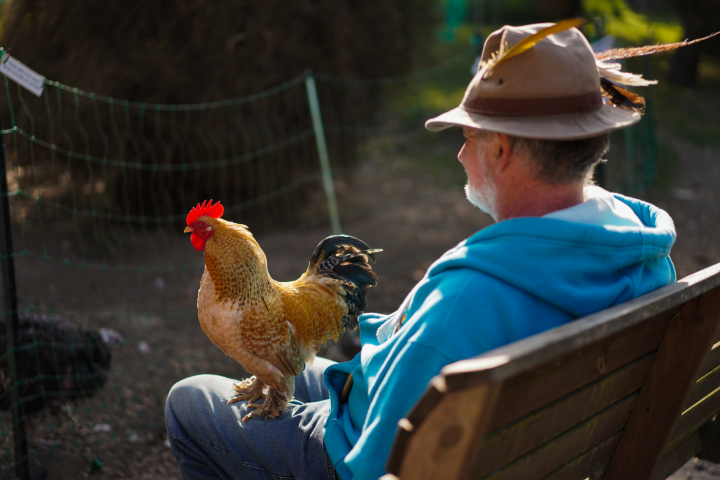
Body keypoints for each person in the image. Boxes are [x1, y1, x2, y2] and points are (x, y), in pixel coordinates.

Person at [165, 23, 676, 480]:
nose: (459, 153)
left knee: (189, 399)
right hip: (544, 447)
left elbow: (375, 460)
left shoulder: (467, 297)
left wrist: (408, 336)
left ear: (501, 150)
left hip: (350, 453)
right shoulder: (647, 257)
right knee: (303, 370)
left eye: (468, 137)